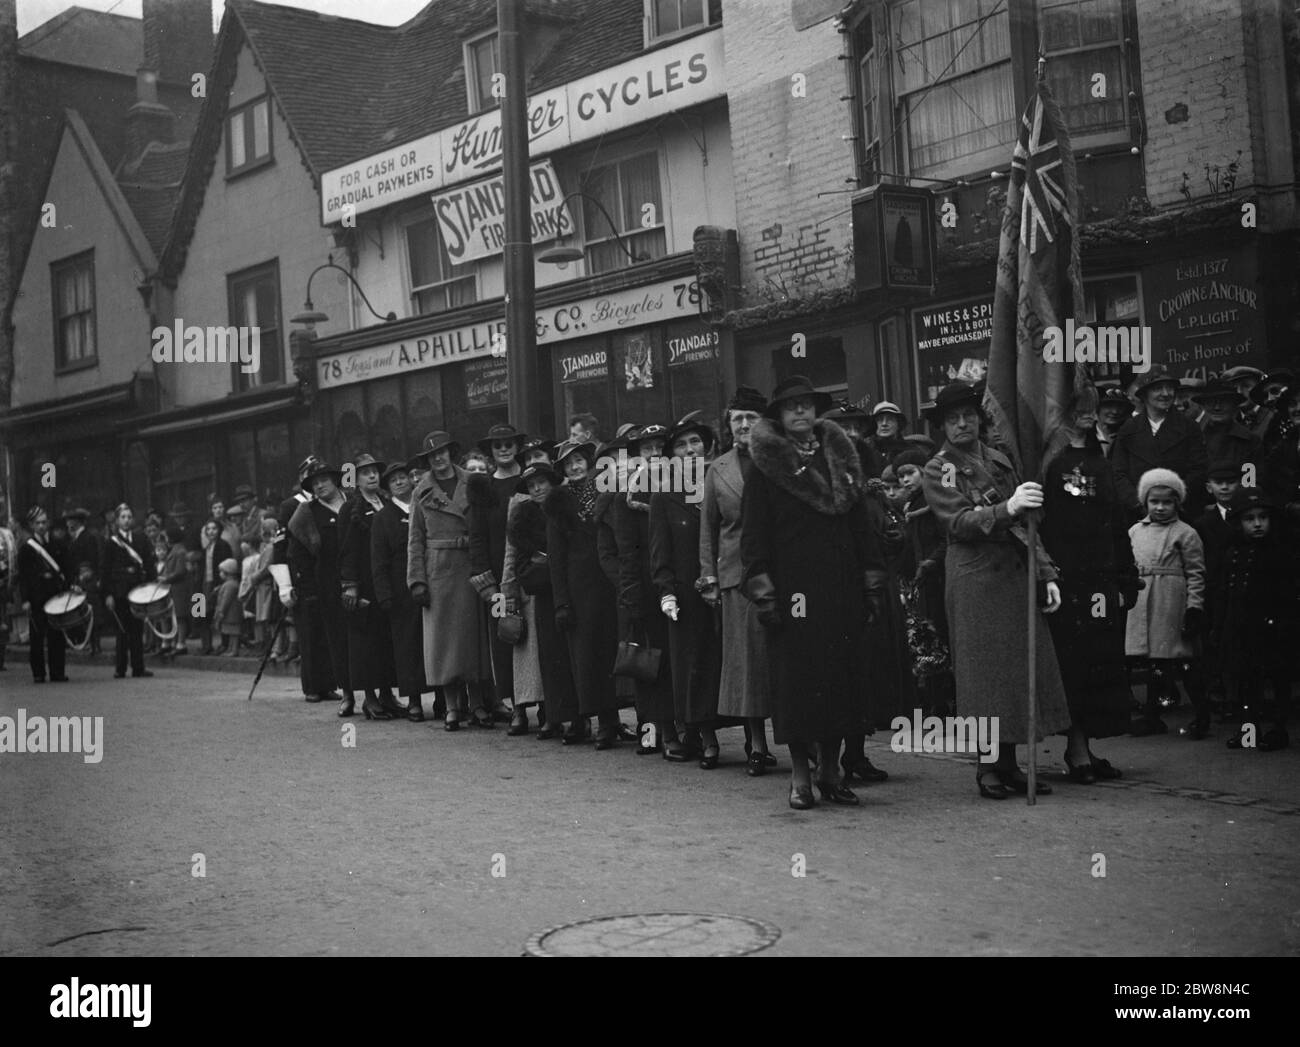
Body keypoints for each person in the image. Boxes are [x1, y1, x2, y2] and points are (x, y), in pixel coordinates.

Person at [742, 375, 887, 809]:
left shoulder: (841, 456)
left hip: (841, 586)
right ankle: (800, 776)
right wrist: (764, 592)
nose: (801, 411)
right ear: (780, 418)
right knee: (798, 683)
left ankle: (831, 769)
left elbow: (861, 525)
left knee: (841, 680)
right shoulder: (765, 467)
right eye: (791, 406)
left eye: (807, 404)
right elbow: (754, 537)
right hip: (794, 592)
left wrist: (872, 580)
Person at [920, 382, 1070, 800]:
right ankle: (987, 767)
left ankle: (1010, 764)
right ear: (942, 426)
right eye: (952, 419)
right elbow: (959, 522)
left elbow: (1029, 525)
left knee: (1014, 672)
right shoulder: (939, 468)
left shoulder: (1001, 460)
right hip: (975, 578)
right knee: (984, 676)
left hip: (1014, 575)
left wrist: (1046, 572)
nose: (962, 423)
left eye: (968, 415)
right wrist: (1007, 508)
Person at [1040, 388, 1140, 783]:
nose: (1086, 415)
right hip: (1066, 578)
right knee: (1074, 664)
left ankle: (1087, 745)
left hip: (1101, 577)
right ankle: (1076, 749)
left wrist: (1125, 574)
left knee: (1101, 661)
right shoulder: (1048, 462)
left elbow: (1116, 522)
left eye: (1090, 409)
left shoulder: (1101, 460)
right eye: (1076, 408)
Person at [699, 387, 776, 776]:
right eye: (736, 419)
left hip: (779, 572)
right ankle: (757, 744)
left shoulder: (779, 459)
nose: (744, 425)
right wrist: (708, 576)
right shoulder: (718, 469)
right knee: (746, 664)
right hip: (736, 578)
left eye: (751, 417)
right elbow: (708, 529)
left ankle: (804, 741)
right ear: (728, 426)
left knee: (783, 658)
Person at [408, 431, 492, 730]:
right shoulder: (421, 491)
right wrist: (416, 580)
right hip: (439, 570)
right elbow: (415, 539)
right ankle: (453, 707)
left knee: (474, 639)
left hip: (471, 564)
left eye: (442, 452)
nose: (438, 458)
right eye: (432, 455)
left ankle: (479, 704)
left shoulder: (473, 480)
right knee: (444, 643)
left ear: (451, 453)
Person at [651, 414, 723, 768]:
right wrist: (666, 591)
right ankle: (703, 734)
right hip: (686, 593)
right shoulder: (665, 496)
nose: (689, 449)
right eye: (681, 445)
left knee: (721, 662)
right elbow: (659, 550)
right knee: (693, 665)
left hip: (723, 586)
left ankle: (744, 738)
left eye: (695, 442)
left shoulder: (719, 482)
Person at [545, 438, 624, 747]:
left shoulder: (605, 491)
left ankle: (615, 718)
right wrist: (562, 601)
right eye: (568, 464)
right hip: (579, 590)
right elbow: (555, 557)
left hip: (608, 582)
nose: (575, 467)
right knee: (587, 657)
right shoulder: (558, 503)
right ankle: (599, 721)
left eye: (579, 461)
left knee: (611, 651)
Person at [1124, 468, 1209, 738]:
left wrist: (1194, 607)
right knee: (1152, 664)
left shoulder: (1186, 533)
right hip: (1142, 601)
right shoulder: (1135, 531)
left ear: (1177, 503)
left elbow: (1196, 573)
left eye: (1167, 502)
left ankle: (1202, 714)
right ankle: (1152, 716)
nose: (1160, 507)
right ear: (1144, 502)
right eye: (1154, 501)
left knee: (1181, 662)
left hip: (1170, 603)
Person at [613, 422, 681, 756]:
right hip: (643, 585)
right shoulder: (629, 493)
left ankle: (681, 728)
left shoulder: (679, 485)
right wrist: (631, 594)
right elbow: (625, 550)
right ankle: (656, 731)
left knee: (674, 658)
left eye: (659, 448)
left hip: (674, 581)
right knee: (649, 663)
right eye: (647, 449)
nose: (654, 454)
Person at [1212, 491, 1296, 751]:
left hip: (1273, 627)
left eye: (1262, 518)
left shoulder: (1280, 552)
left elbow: (1288, 592)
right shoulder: (1232, 552)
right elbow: (1223, 590)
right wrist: (1219, 623)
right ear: (1239, 522)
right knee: (1247, 680)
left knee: (1278, 677)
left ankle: (1279, 729)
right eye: (1250, 519)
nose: (1257, 524)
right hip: (1240, 625)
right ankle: (1250, 731)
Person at [502, 457, 577, 736]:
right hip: (542, 592)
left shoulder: (566, 505)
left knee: (573, 655)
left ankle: (579, 717)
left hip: (571, 587)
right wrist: (510, 588)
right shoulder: (523, 515)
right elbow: (516, 557)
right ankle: (555, 716)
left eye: (541, 483)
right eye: (531, 485)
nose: (536, 489)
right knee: (549, 656)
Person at [467, 422, 529, 725]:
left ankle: (546, 709)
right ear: (492, 452)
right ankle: (516, 707)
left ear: (517, 446)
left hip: (531, 574)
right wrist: (486, 582)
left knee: (538, 641)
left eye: (508, 444)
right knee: (507, 637)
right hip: (499, 579)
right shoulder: (484, 487)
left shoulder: (531, 480)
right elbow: (476, 536)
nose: (504, 449)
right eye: (497, 446)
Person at [339, 453, 402, 721]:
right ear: (355, 478)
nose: (372, 476)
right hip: (363, 582)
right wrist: (350, 586)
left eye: (375, 471)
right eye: (365, 473)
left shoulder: (387, 503)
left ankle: (387, 694)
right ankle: (370, 698)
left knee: (386, 640)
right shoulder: (349, 509)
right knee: (365, 643)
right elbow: (346, 550)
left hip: (384, 581)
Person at [287, 457, 351, 708]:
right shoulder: (306, 512)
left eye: (324, 480)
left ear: (335, 480)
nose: (320, 486)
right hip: (323, 581)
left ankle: (341, 685)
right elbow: (298, 553)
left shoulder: (350, 503)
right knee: (325, 636)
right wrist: (306, 587)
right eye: (314, 483)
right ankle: (321, 687)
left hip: (353, 576)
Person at [895, 447, 953, 719]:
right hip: (923, 583)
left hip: (939, 579)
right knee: (928, 642)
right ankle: (935, 703)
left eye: (909, 473)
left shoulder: (932, 501)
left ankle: (944, 703)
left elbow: (946, 538)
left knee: (939, 639)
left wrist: (930, 562)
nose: (904, 481)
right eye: (900, 477)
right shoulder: (912, 505)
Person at [372, 459, 429, 721]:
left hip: (429, 582)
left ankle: (442, 698)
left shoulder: (424, 506)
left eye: (402, 477)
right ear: (387, 488)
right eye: (392, 480)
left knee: (432, 641)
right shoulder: (384, 517)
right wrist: (384, 594)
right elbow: (379, 559)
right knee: (407, 646)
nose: (398, 482)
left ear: (411, 479)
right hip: (399, 589)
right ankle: (414, 700)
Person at [1112, 367, 1209, 517]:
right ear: (1144, 394)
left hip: (1181, 511)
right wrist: (1137, 502)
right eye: (1158, 389)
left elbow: (1199, 469)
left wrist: (1174, 498)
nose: (1165, 394)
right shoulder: (1129, 429)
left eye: (1169, 388)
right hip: (1139, 514)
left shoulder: (1189, 427)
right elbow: (1119, 473)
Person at [100, 502, 157, 679]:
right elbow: (105, 570)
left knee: (137, 630)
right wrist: (108, 594)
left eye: (129, 517)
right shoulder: (111, 543)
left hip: (138, 591)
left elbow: (148, 563)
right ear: (117, 521)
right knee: (122, 631)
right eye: (123, 517)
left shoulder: (141, 539)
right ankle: (120, 668)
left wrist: (151, 586)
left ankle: (138, 667)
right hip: (119, 592)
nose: (126, 521)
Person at [17, 506, 72, 683]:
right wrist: (25, 599)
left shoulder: (55, 545)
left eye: (44, 522)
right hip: (37, 597)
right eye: (38, 523)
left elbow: (65, 568)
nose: (42, 526)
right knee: (37, 637)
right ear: (32, 525)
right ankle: (39, 673)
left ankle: (57, 672)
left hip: (54, 595)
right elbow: (23, 577)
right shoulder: (26, 549)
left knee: (57, 635)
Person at [1193, 379, 1260, 477]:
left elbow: (1250, 483)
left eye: (1223, 401)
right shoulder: (1194, 439)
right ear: (1203, 406)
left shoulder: (1250, 441)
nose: (1217, 407)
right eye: (1211, 402)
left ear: (1234, 404)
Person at [197, 519, 232, 654]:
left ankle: (224, 643)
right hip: (202, 584)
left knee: (217, 613)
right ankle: (205, 645)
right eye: (208, 529)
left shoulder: (223, 545)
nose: (211, 532)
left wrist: (221, 583)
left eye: (214, 529)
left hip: (216, 583)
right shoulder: (205, 547)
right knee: (199, 613)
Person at [159, 526, 191, 655]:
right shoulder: (175, 550)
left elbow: (180, 571)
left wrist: (166, 578)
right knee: (172, 616)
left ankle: (181, 644)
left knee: (180, 616)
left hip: (180, 588)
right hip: (174, 589)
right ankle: (172, 643)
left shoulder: (180, 551)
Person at [862, 402, 910, 478]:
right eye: (880, 420)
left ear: (899, 424)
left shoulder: (909, 451)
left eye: (890, 419)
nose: (884, 424)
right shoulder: (865, 452)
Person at [212, 557, 243, 656]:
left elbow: (226, 600)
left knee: (234, 633)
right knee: (231, 632)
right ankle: (231, 649)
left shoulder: (230, 585)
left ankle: (233, 650)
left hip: (231, 613)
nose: (220, 574)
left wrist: (221, 611)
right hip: (231, 613)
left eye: (221, 571)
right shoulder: (229, 584)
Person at [1095, 385, 1132, 459]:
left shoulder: (1131, 436)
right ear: (1097, 408)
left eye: (1120, 406)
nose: (1115, 411)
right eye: (1109, 405)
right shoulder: (1083, 435)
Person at [0, 496, 15, 672]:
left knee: (3, 623)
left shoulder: (6, 534)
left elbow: (12, 560)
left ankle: (1, 658)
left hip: (2, 585)